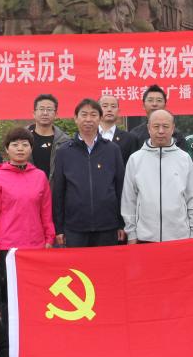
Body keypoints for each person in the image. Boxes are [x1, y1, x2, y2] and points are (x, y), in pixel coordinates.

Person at [52, 99, 126, 247]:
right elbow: (58, 192)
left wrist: (121, 223)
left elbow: (121, 188)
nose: (88, 119)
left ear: (100, 118)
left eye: (93, 115)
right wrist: (59, 228)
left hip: (107, 226)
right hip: (75, 228)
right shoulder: (64, 152)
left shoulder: (112, 150)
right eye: (84, 114)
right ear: (75, 118)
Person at [121, 109, 193, 243]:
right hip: (145, 238)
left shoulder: (184, 158)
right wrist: (132, 234)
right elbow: (129, 200)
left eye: (165, 126)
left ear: (173, 128)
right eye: (156, 126)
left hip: (179, 237)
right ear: (149, 128)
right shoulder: (135, 159)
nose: (161, 131)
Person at [0, 127, 56, 262]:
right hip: (7, 246)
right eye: (15, 145)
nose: (20, 149)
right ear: (7, 149)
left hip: (36, 244)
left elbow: (46, 212)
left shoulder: (40, 176)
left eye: (25, 144)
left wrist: (49, 238)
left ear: (31, 148)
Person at [27, 94, 69, 178]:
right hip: (27, 184)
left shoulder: (64, 141)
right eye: (41, 109)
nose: (45, 113)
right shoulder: (21, 137)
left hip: (54, 185)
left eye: (49, 109)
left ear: (56, 114)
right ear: (34, 113)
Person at [98, 94, 139, 166]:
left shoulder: (129, 139)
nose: (109, 109)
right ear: (97, 110)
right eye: (105, 106)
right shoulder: (88, 136)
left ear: (118, 111)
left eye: (113, 106)